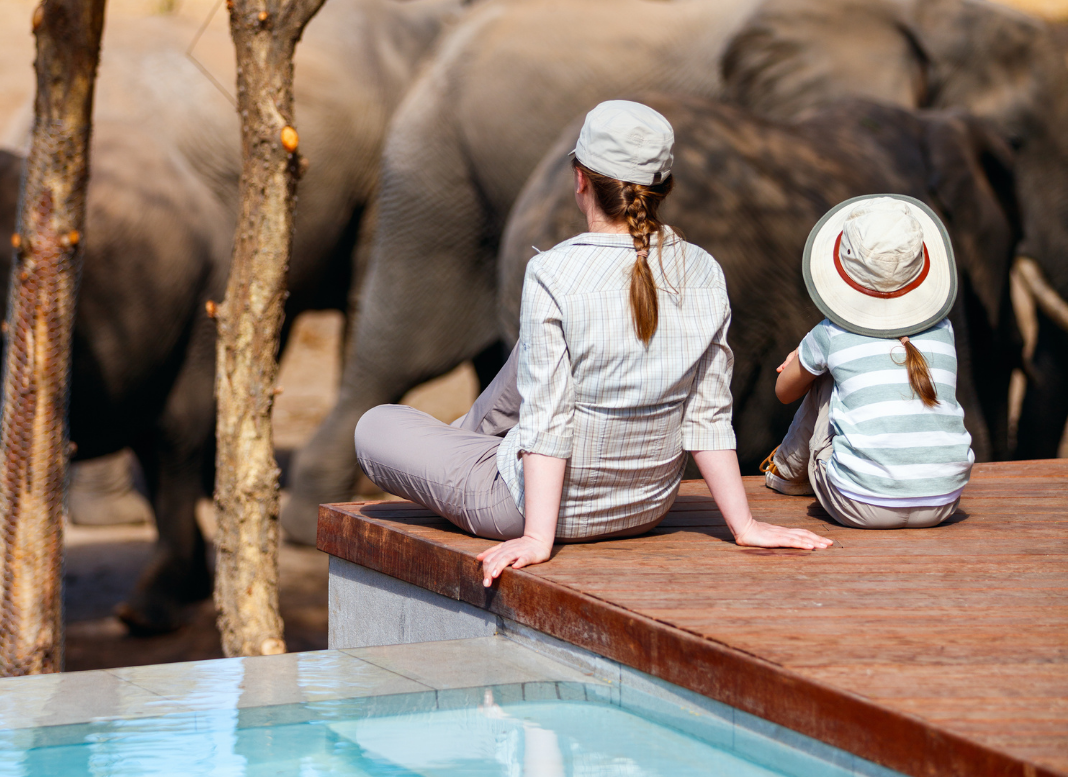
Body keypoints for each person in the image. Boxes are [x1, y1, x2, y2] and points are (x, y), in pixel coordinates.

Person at [355, 99, 831, 585]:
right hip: (646, 507)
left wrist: (538, 537)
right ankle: (467, 442)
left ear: (580, 179)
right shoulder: (705, 271)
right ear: (661, 188)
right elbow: (708, 415)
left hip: (530, 508)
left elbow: (546, 417)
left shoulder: (552, 272)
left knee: (376, 423)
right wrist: (744, 525)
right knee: (534, 354)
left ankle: (463, 446)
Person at [763, 193, 974, 529]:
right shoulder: (944, 329)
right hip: (944, 502)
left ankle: (787, 473)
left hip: (857, 502)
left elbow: (784, 392)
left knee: (826, 377)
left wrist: (802, 356)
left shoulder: (831, 334)